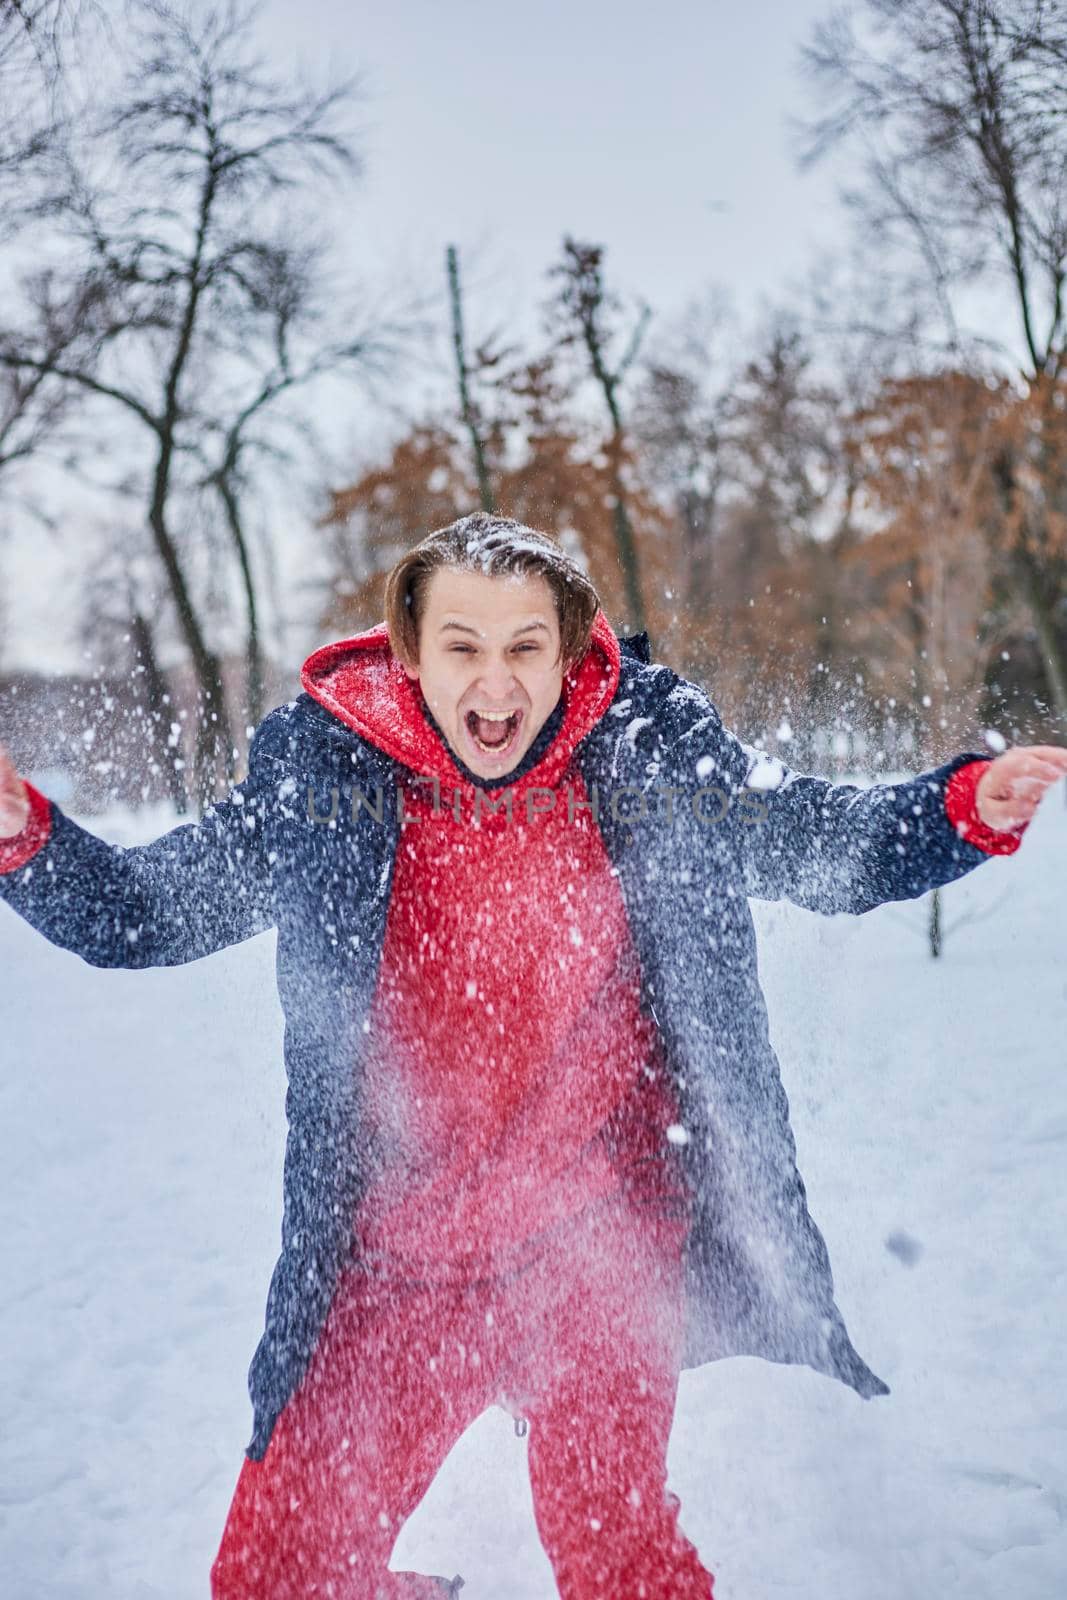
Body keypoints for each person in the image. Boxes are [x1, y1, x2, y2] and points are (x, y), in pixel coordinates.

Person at [2, 512, 1065, 1600]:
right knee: (271, 1579)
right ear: (408, 652)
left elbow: (801, 835)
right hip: (392, 1268)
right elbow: (144, 910)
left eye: (524, 647)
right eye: (462, 644)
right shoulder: (327, 782)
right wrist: (23, 834)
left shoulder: (643, 754)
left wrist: (954, 808)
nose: (495, 682)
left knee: (619, 1562)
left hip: (592, 1250)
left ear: (569, 653)